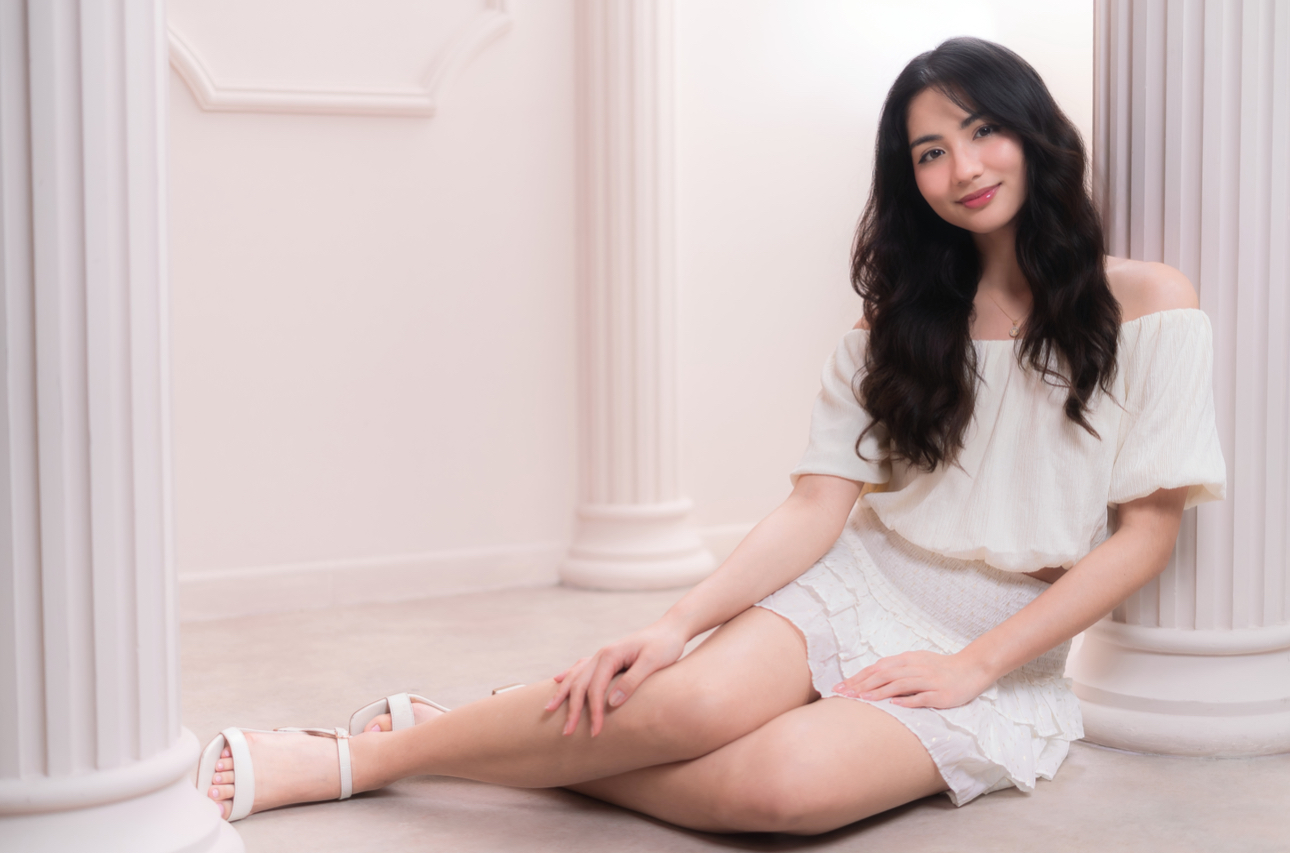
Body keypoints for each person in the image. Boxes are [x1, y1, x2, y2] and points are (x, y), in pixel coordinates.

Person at [196, 37, 1226, 834]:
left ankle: (468, 733)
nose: (962, 167)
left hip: (999, 645)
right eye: (929, 152)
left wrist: (976, 665)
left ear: (1035, 131)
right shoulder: (896, 326)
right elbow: (816, 506)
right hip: (864, 584)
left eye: (983, 131)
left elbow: (1146, 535)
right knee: (684, 707)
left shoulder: (1148, 304)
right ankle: (359, 757)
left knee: (782, 790)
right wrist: (674, 624)